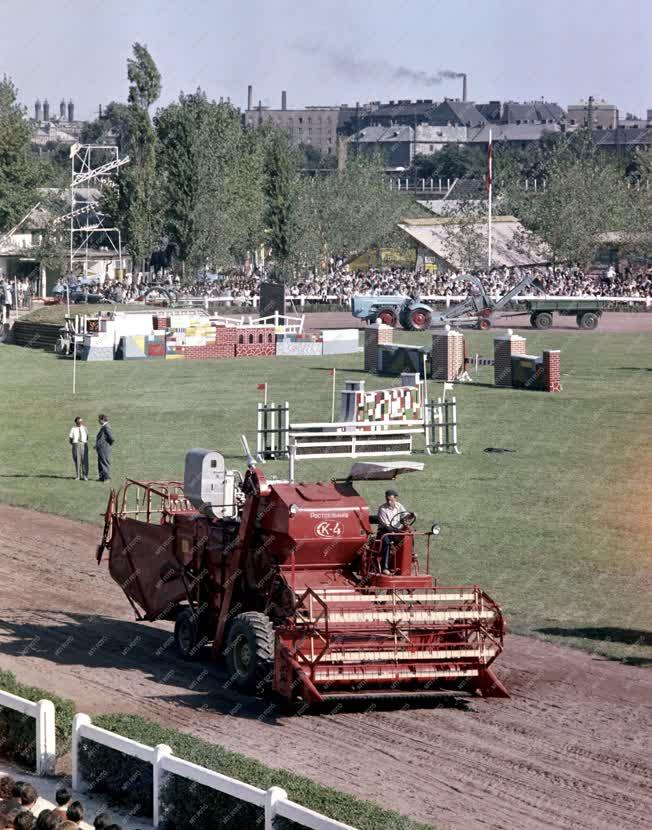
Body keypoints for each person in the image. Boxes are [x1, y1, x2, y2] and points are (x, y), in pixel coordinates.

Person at [377, 489, 412, 574]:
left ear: (395, 499)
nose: (389, 502)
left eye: (391, 500)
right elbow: (386, 525)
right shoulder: (382, 509)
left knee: (409, 537)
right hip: (385, 531)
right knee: (387, 542)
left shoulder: (399, 506)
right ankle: (385, 567)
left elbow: (405, 516)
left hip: (396, 531)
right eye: (387, 500)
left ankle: (411, 556)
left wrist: (411, 515)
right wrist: (393, 531)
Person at [94, 415, 114, 482]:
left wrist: (107, 445)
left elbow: (111, 438)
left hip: (104, 448)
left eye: (99, 419)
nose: (98, 421)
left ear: (102, 420)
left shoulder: (106, 427)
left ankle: (107, 478)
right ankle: (102, 477)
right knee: (100, 463)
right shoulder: (104, 427)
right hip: (101, 448)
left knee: (105, 462)